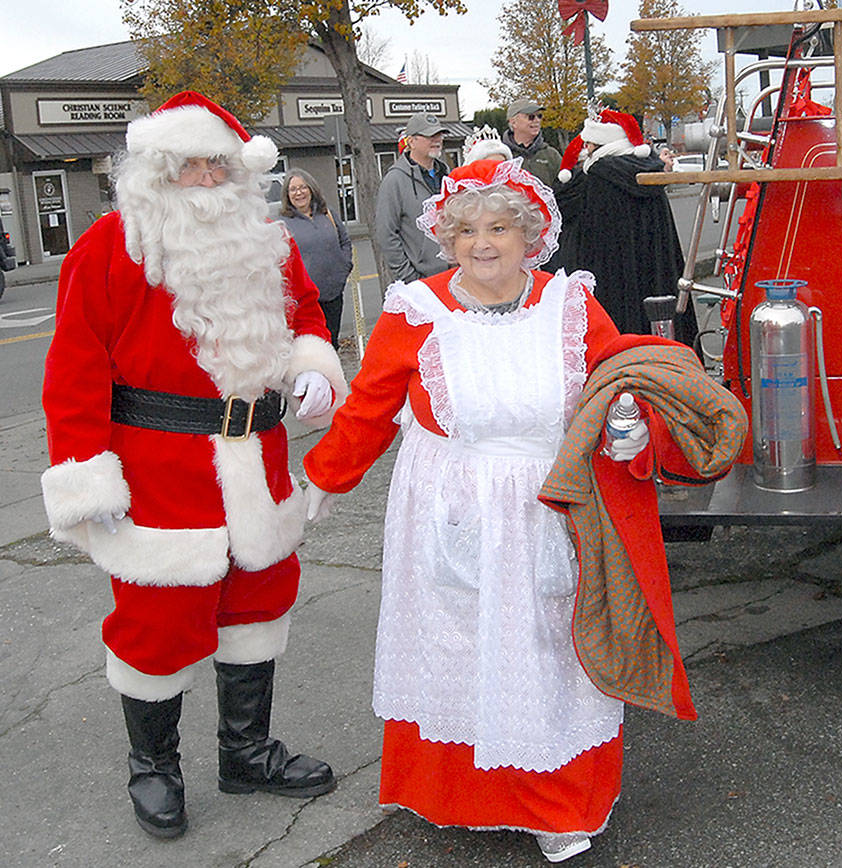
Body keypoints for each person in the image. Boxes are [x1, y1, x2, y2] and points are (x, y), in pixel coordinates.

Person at [301, 158, 744, 863]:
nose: (483, 243)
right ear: (446, 238)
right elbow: (369, 408)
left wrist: (631, 424)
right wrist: (324, 479)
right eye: (468, 229)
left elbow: (618, 379)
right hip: (449, 506)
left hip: (550, 506)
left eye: (500, 227)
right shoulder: (417, 309)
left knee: (549, 653)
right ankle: (456, 793)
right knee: (458, 647)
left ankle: (558, 805)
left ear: (530, 234)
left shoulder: (570, 304)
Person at [40, 91, 348, 839]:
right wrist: (88, 477)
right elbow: (74, 371)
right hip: (159, 471)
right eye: (190, 167)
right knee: (158, 624)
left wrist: (311, 361)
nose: (208, 181)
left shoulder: (264, 239)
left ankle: (246, 754)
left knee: (258, 607)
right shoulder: (111, 246)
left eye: (218, 165)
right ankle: (155, 768)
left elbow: (306, 311)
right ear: (155, 173)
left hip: (260, 464)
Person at [553, 109, 699, 347]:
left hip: (609, 287)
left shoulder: (594, 180)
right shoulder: (647, 174)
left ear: (594, 145)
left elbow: (571, 221)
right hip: (654, 280)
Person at [280, 168, 353, 347]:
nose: (299, 193)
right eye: (293, 189)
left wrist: (344, 268)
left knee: (331, 343)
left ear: (311, 189)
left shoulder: (327, 214)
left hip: (333, 294)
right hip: (306, 302)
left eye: (303, 187)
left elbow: (345, 241)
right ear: (287, 195)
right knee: (312, 346)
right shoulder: (283, 224)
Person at [377, 112, 452, 282]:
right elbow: (386, 235)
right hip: (420, 281)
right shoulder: (394, 180)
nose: (437, 140)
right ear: (411, 141)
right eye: (429, 136)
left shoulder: (447, 175)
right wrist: (410, 278)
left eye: (439, 135)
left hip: (454, 274)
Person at [504, 98, 562, 186]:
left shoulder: (551, 155)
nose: (537, 120)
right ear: (513, 122)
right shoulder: (502, 156)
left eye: (539, 116)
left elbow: (566, 190)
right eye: (531, 117)